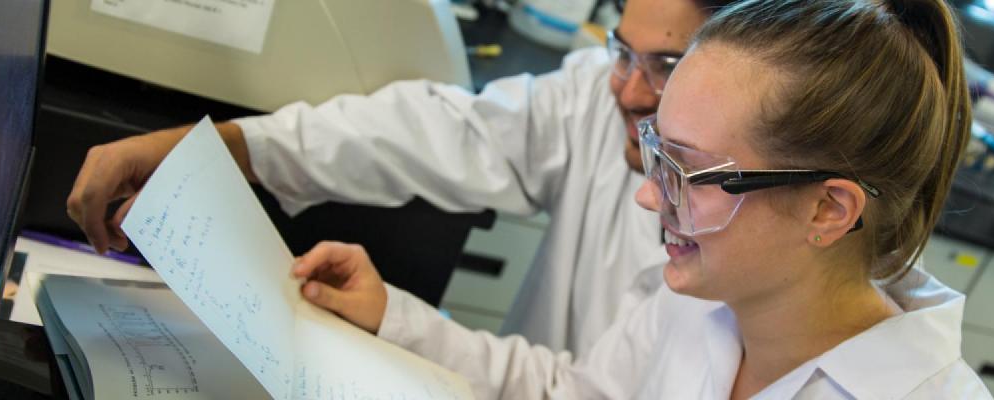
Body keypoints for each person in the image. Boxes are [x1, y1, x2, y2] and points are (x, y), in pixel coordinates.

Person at [289, 0, 993, 398]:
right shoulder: (703, 300)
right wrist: (396, 319)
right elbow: (574, 394)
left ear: (828, 210)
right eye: (655, 152)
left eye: (684, 172)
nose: (649, 201)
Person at [66, 0, 738, 355]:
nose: (626, 90)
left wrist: (405, 324)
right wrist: (228, 145)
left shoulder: (765, 247)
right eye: (622, 52)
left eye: (667, 64)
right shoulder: (601, 97)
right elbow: (429, 131)